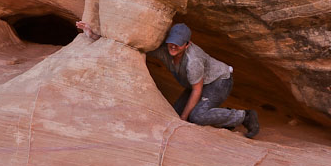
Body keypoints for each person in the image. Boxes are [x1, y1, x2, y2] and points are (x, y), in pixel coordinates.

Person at [75, 21, 260, 138]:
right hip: (196, 83)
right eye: (172, 41)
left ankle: (244, 116)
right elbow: (129, 45)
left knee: (195, 117)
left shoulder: (193, 61)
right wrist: (94, 35)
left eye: (178, 44)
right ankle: (221, 117)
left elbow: (197, 89)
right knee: (172, 113)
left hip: (219, 81)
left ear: (187, 45)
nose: (173, 46)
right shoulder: (166, 50)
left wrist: (184, 118)